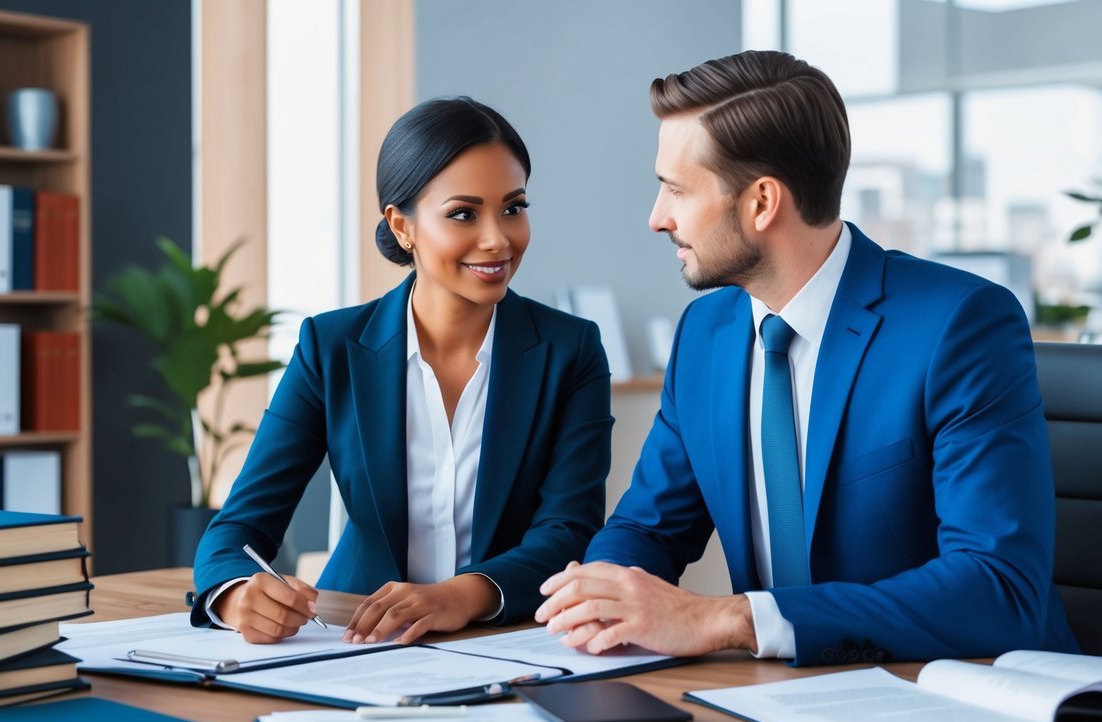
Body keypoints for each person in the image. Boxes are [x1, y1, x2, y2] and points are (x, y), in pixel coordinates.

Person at [536, 50, 1079, 666]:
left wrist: (730, 618)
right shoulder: (705, 335)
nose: (657, 218)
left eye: (675, 190)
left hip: (959, 699)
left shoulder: (959, 325)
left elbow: (998, 589)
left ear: (762, 202)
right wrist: (600, 598)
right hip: (778, 703)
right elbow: (648, 528)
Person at [191, 96, 613, 646]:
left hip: (505, 641)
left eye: (513, 207)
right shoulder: (332, 346)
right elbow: (238, 528)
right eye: (463, 213)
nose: (498, 238)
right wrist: (237, 594)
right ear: (402, 225)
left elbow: (569, 531)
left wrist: (462, 594)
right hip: (355, 638)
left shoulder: (570, 349)